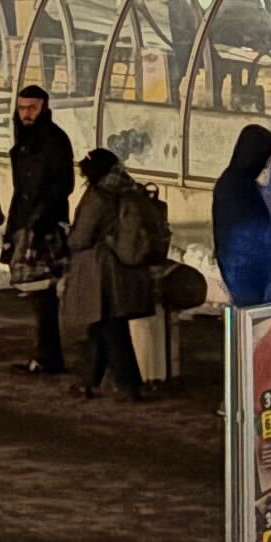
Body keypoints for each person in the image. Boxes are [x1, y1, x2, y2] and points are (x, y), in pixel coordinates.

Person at [64, 147, 170, 399]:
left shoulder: (99, 195)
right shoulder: (130, 190)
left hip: (101, 273)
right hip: (126, 272)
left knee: (112, 329)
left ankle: (128, 386)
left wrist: (69, 236)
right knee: (103, 327)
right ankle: (88, 381)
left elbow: (81, 238)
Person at [4, 85, 77, 374]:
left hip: (43, 227)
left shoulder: (53, 140)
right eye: (22, 108)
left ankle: (47, 356)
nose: (26, 114)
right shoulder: (27, 140)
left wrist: (37, 221)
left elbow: (61, 185)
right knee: (38, 294)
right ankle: (45, 354)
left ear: (45, 107)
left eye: (32, 108)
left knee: (42, 293)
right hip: (28, 224)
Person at [215, 123, 271, 307]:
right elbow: (250, 233)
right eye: (265, 157)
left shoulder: (238, 181)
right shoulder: (237, 187)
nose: (266, 164)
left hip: (246, 270)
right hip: (245, 272)